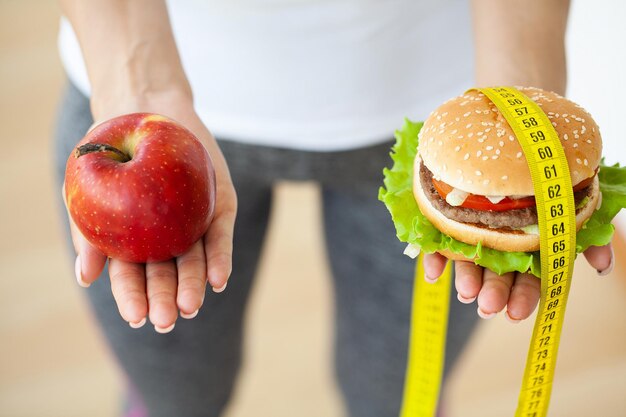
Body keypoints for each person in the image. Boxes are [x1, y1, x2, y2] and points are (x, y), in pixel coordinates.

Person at [54, 1, 613, 416]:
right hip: (141, 101)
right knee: (172, 393)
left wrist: (520, 103)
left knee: (396, 399)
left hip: (444, 129)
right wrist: (137, 83)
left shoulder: (462, 149)